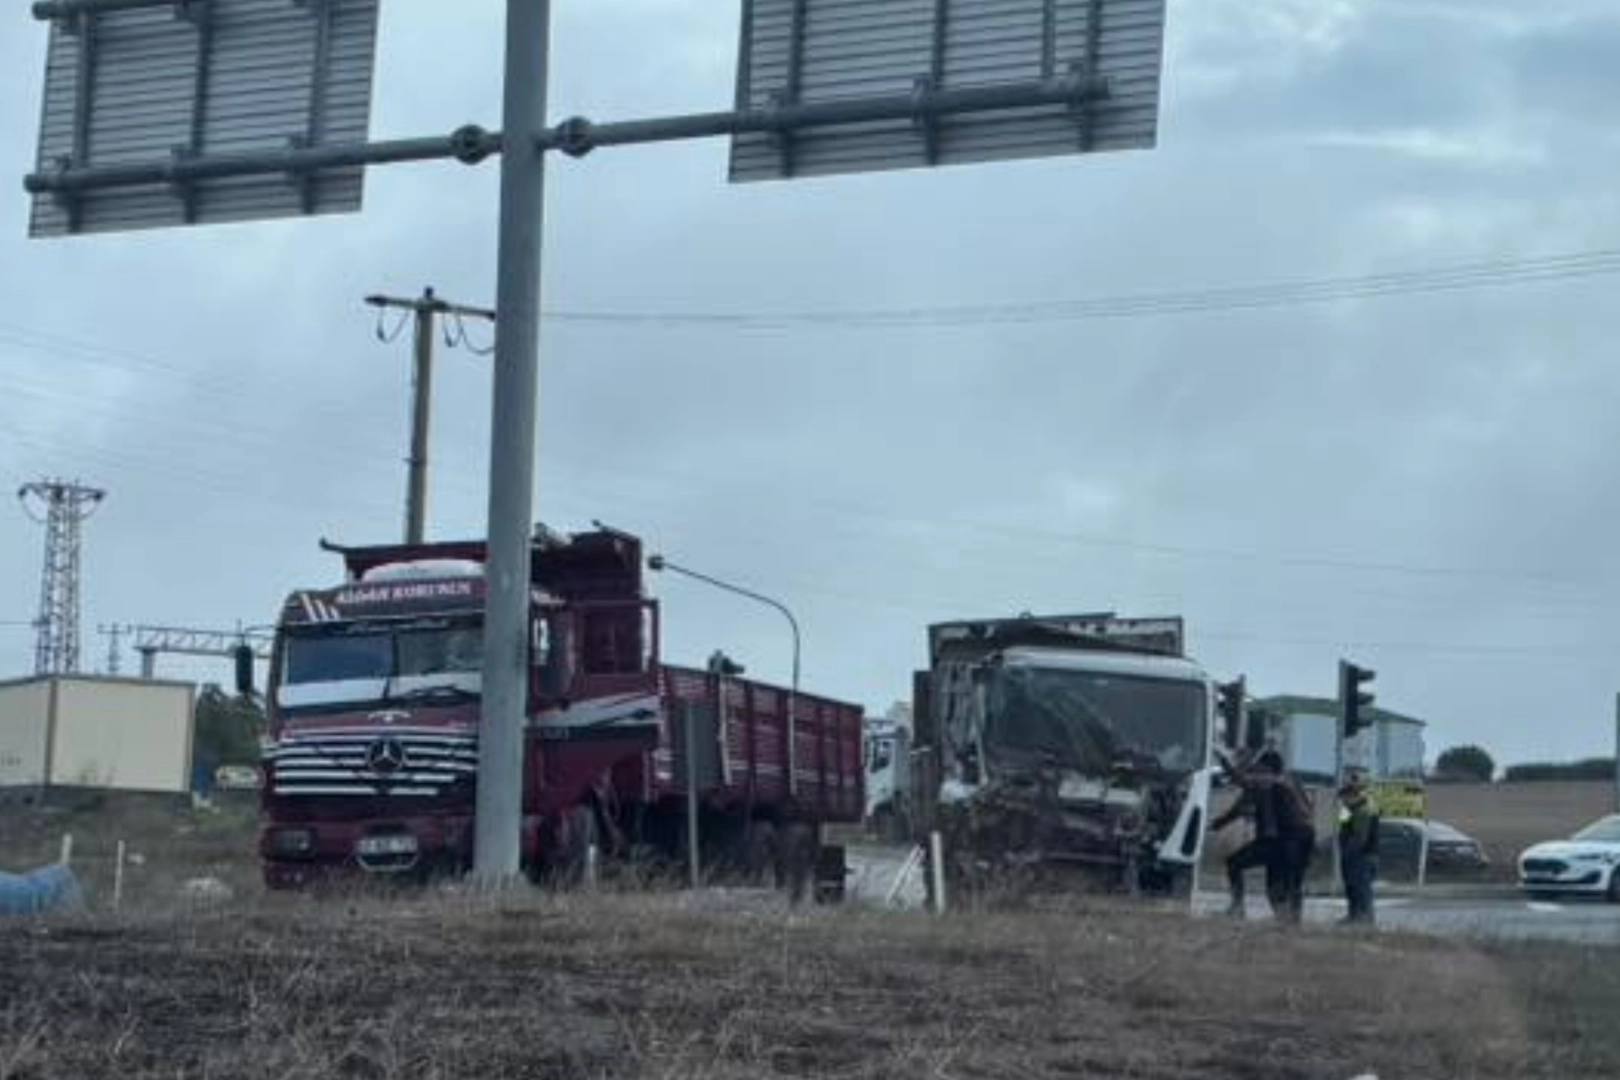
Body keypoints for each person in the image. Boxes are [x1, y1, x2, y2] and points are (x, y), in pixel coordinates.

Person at [1211, 748, 1287, 918]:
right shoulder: (1279, 782)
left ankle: (1238, 907)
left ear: (1267, 768)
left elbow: (1239, 780)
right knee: (1274, 884)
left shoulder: (1266, 782)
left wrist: (1224, 761)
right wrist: (1220, 822)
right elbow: (1240, 807)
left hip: (1271, 840)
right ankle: (1285, 917)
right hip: (1284, 840)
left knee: (1234, 863)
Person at [1338, 771, 1380, 924]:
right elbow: (1343, 829)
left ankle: (1365, 920)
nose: (1342, 800)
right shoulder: (1349, 809)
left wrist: (1347, 852)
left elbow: (1360, 838)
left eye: (1345, 797)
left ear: (1353, 795)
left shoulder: (1363, 810)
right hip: (1354, 855)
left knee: (1361, 889)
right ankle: (1353, 917)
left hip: (1362, 856)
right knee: (1352, 888)